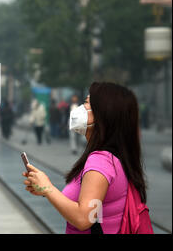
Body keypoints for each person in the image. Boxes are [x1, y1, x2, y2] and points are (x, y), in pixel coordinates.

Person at [23, 82, 150, 234]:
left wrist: (48, 188)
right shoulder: (115, 158)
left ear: (104, 114)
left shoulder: (100, 161)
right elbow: (98, 212)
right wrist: (44, 190)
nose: (80, 109)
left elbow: (84, 219)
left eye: (86, 103)